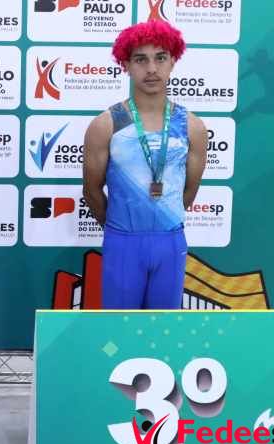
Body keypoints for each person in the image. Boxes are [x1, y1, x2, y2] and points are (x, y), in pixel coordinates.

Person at [83, 20, 207, 309]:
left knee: (163, 330)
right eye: (141, 59)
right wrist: (121, 228)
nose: (151, 68)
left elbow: (189, 192)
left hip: (170, 242)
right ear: (126, 64)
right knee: (120, 328)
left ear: (173, 61)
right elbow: (91, 191)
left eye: (160, 58)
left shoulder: (192, 127)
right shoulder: (106, 125)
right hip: (122, 241)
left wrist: (161, 218)